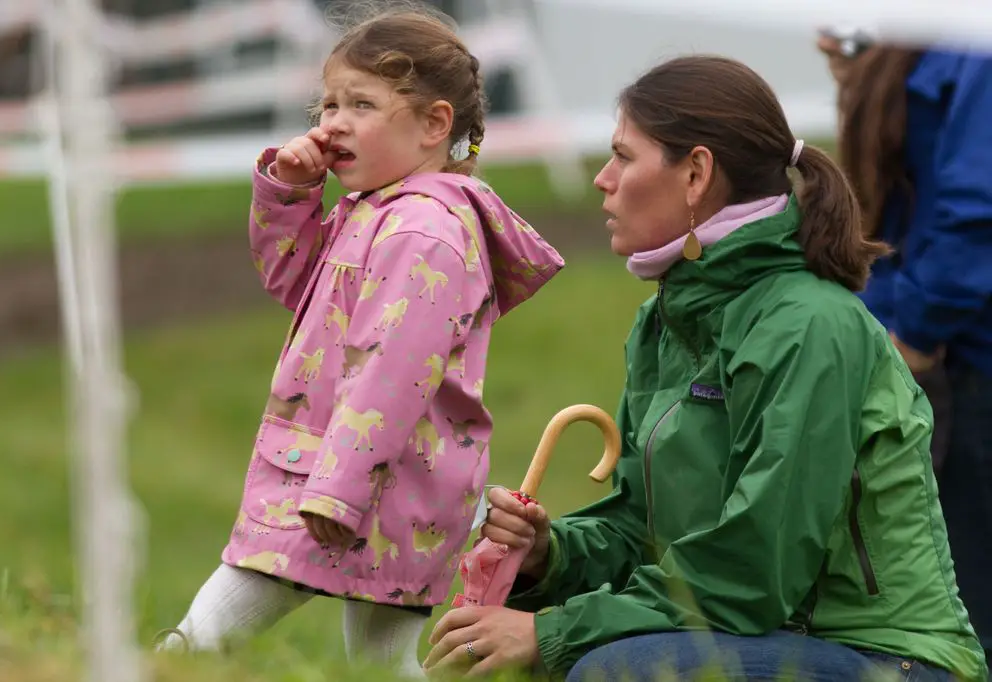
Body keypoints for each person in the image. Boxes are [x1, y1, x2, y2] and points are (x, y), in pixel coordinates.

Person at [423, 55, 988, 682]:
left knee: (615, 671)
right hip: (777, 641)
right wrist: (549, 554)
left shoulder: (810, 326)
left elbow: (753, 573)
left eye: (624, 157)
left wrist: (552, 631)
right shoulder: (663, 321)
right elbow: (644, 533)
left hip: (888, 659)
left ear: (695, 173)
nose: (602, 180)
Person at [153, 6, 565, 678]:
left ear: (434, 124)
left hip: (360, 482)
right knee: (382, 660)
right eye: (328, 103)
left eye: (362, 104)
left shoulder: (421, 233)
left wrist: (338, 489)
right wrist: (290, 191)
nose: (332, 122)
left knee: (224, 613)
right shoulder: (376, 211)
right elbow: (296, 282)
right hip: (378, 480)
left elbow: (392, 373)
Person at [817, 32, 992, 672]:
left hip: (963, 359)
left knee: (969, 601)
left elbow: (978, 211)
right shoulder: (927, 41)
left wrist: (913, 336)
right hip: (929, 341)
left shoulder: (977, 46)